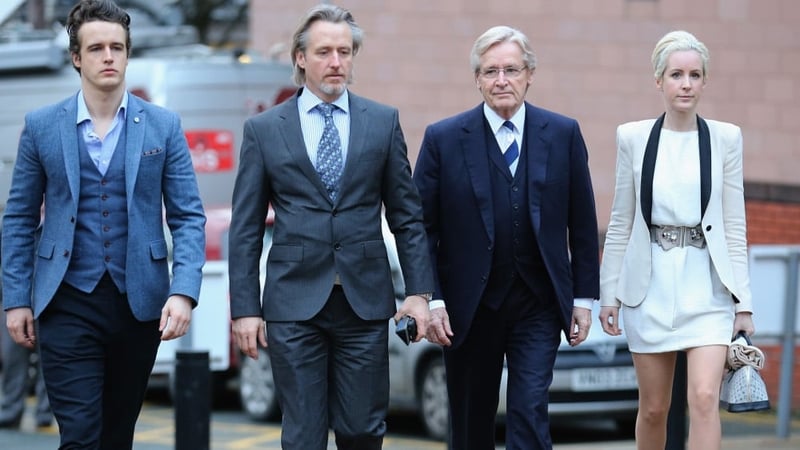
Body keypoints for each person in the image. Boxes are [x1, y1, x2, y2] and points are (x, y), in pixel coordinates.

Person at [227, 4, 434, 450]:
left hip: (364, 302)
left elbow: (407, 216)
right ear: (301, 58)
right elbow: (244, 228)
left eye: (345, 51)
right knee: (303, 436)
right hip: (292, 303)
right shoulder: (264, 130)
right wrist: (245, 308)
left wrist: (419, 294)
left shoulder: (382, 122)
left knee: (362, 431)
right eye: (324, 52)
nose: (336, 62)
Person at [1, 0, 206, 448]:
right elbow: (17, 218)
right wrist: (16, 297)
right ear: (77, 58)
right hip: (66, 300)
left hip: (139, 304)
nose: (108, 56)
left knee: (117, 436)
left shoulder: (163, 126)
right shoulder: (40, 127)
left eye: (117, 47)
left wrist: (184, 290)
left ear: (129, 54)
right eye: (96, 48)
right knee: (79, 436)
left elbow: (189, 216)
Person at [414, 25, 600, 450]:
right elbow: (421, 228)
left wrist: (584, 298)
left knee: (529, 408)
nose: (502, 80)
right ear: (477, 79)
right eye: (491, 71)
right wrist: (432, 298)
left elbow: (583, 222)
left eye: (511, 69)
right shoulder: (443, 139)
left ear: (530, 74)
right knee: (470, 420)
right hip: (467, 308)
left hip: (538, 303)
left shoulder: (563, 133)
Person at [598, 30, 755, 450]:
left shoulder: (726, 138)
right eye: (676, 75)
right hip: (648, 288)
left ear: (705, 81)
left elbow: (734, 226)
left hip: (708, 288)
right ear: (659, 81)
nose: (686, 84)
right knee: (654, 407)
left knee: (704, 398)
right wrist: (608, 295)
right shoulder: (633, 137)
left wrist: (744, 303)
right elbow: (620, 222)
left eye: (694, 75)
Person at [0, 227, 52, 430]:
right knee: (13, 360)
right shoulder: (15, 227)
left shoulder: (58, 224)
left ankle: (45, 414)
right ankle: (10, 411)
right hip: (15, 306)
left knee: (48, 364)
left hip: (48, 306)